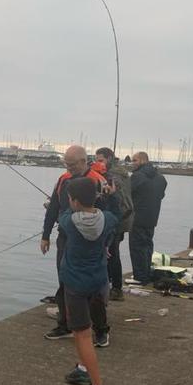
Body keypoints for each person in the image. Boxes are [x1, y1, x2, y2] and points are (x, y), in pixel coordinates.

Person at [41, 146, 114, 347]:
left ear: (84, 161)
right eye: (66, 164)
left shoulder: (98, 180)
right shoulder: (63, 180)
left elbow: (110, 216)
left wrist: (107, 244)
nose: (69, 168)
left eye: (72, 164)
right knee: (65, 281)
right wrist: (45, 235)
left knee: (94, 287)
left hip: (93, 241)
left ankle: (101, 329)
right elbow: (54, 207)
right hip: (67, 238)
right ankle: (64, 324)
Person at [58, 177, 118, 385]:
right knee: (87, 329)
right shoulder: (109, 219)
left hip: (75, 284)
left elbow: (63, 214)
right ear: (96, 197)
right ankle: (82, 369)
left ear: (73, 200)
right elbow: (114, 214)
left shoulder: (69, 222)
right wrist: (109, 197)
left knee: (82, 334)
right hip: (98, 280)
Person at [95, 147, 134, 301]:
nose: (98, 163)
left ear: (109, 158)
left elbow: (113, 196)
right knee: (112, 252)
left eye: (101, 160)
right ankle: (111, 285)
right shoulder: (121, 172)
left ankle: (116, 289)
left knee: (112, 252)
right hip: (124, 216)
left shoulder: (114, 175)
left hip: (119, 217)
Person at [127, 152, 167, 285]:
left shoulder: (137, 176)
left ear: (143, 160)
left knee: (137, 247)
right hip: (152, 217)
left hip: (137, 217)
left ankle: (139, 276)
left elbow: (127, 194)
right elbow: (161, 195)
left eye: (135, 160)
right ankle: (146, 273)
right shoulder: (161, 178)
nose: (132, 163)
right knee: (147, 245)